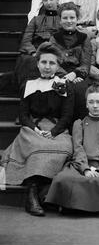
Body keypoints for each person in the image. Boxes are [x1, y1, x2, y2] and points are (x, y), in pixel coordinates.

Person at [0, 42, 74, 216]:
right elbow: (23, 115)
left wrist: (54, 131)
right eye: (44, 62)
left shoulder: (64, 85)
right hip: (33, 127)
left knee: (63, 148)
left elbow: (67, 116)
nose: (47, 67)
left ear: (58, 65)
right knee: (36, 147)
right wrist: (35, 129)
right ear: (38, 63)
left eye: (52, 63)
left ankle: (43, 191)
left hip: (56, 127)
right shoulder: (29, 84)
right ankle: (31, 193)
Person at [45, 84, 99, 213]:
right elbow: (78, 147)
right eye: (91, 102)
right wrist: (85, 169)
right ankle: (75, 205)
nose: (95, 106)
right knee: (63, 179)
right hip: (81, 163)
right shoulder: (79, 124)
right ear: (86, 104)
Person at [15, 0, 61, 89]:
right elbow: (26, 41)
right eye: (45, 0)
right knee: (27, 61)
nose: (48, 2)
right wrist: (34, 53)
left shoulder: (64, 18)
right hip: (35, 52)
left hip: (56, 51)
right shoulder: (36, 20)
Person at [49, 2, 92, 84]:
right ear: (60, 20)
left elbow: (85, 64)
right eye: (65, 18)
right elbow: (52, 61)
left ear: (77, 19)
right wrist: (65, 76)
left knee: (80, 87)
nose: (69, 21)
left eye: (72, 18)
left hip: (78, 75)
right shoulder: (54, 38)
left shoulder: (84, 38)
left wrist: (75, 74)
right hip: (57, 74)